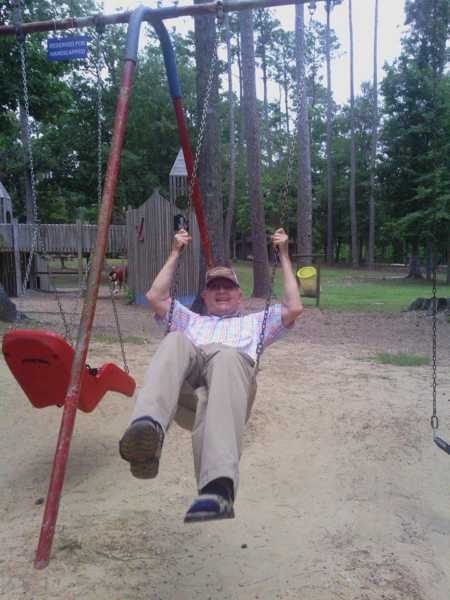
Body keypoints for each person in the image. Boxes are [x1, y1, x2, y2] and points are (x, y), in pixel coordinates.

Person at [119, 227, 303, 522]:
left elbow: (294, 306)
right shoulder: (190, 320)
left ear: (239, 295)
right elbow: (155, 295)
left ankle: (217, 488)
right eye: (215, 287)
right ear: (204, 295)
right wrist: (175, 251)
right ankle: (147, 433)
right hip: (187, 398)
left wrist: (282, 254)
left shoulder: (255, 323)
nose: (221, 291)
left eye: (228, 287)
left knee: (228, 356)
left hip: (228, 393)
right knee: (175, 339)